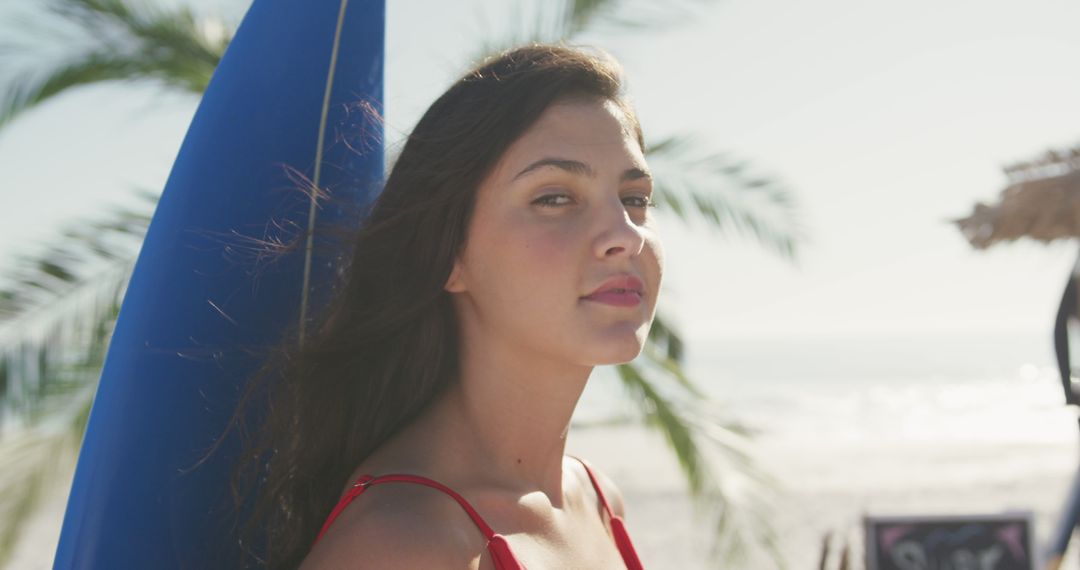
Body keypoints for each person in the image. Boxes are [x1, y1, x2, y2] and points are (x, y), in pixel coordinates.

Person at [231, 43, 662, 569]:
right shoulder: (404, 545)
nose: (625, 235)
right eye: (554, 197)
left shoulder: (597, 500)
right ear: (449, 256)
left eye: (634, 197)